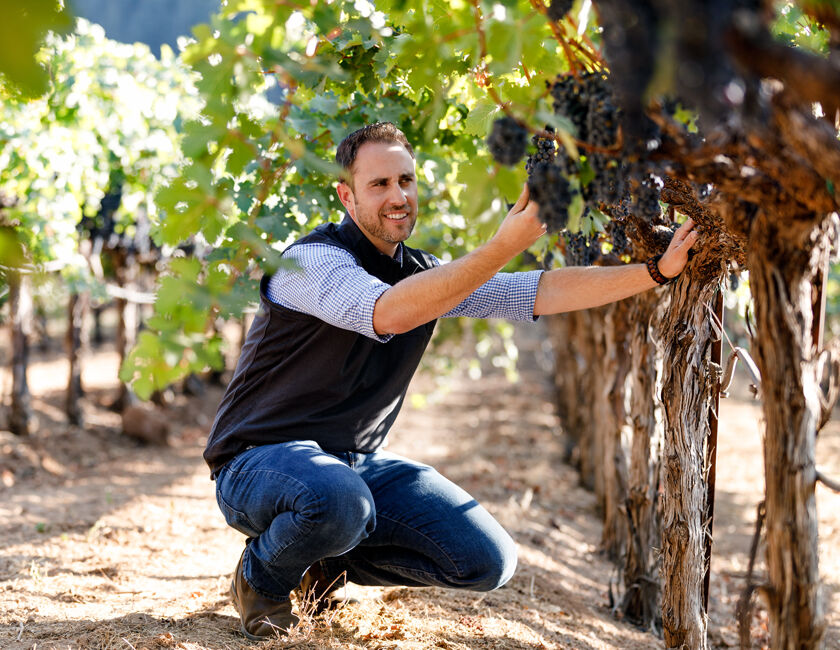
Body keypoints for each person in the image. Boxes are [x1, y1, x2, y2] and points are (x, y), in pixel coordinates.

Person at [203, 122, 698, 640]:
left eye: (406, 181)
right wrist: (501, 246)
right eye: (379, 185)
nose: (398, 196)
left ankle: (317, 563)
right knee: (340, 502)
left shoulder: (422, 273)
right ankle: (261, 579)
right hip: (258, 462)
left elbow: (534, 292)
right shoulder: (309, 262)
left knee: (486, 560)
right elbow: (384, 313)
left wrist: (655, 273)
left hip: (350, 466)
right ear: (345, 196)